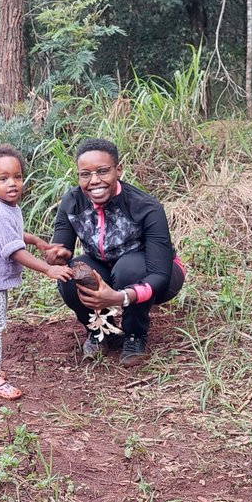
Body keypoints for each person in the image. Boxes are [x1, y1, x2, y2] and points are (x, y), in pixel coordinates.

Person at [46, 138, 185, 365]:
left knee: (128, 269)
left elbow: (160, 274)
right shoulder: (71, 202)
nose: (94, 181)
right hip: (106, 268)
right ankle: (101, 330)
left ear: (118, 170)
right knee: (71, 274)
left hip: (158, 274)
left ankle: (135, 334)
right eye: (85, 174)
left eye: (102, 171)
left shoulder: (145, 207)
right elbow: (62, 248)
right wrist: (57, 256)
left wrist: (119, 297)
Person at [0, 144, 72, 400]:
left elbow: (16, 233)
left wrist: (35, 240)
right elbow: (14, 251)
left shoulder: (9, 207)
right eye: (3, 179)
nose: (12, 183)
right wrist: (48, 268)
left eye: (17, 177)